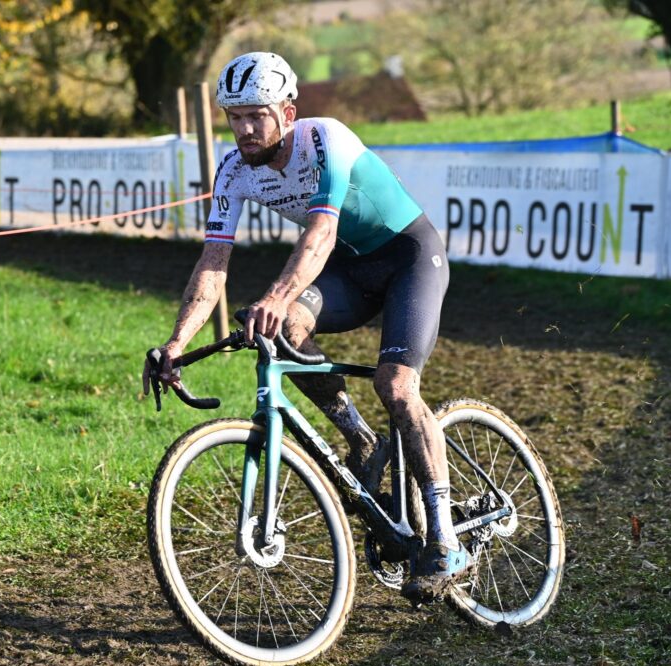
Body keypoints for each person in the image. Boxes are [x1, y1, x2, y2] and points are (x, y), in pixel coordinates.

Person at [142, 52, 467, 604]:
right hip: (348, 271)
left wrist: (275, 295)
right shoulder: (233, 170)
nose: (245, 128)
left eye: (257, 115)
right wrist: (177, 343)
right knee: (285, 330)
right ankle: (360, 438)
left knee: (395, 386)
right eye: (235, 117)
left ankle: (445, 539)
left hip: (408, 258)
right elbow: (213, 264)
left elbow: (319, 235)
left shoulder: (325, 140)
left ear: (287, 113)